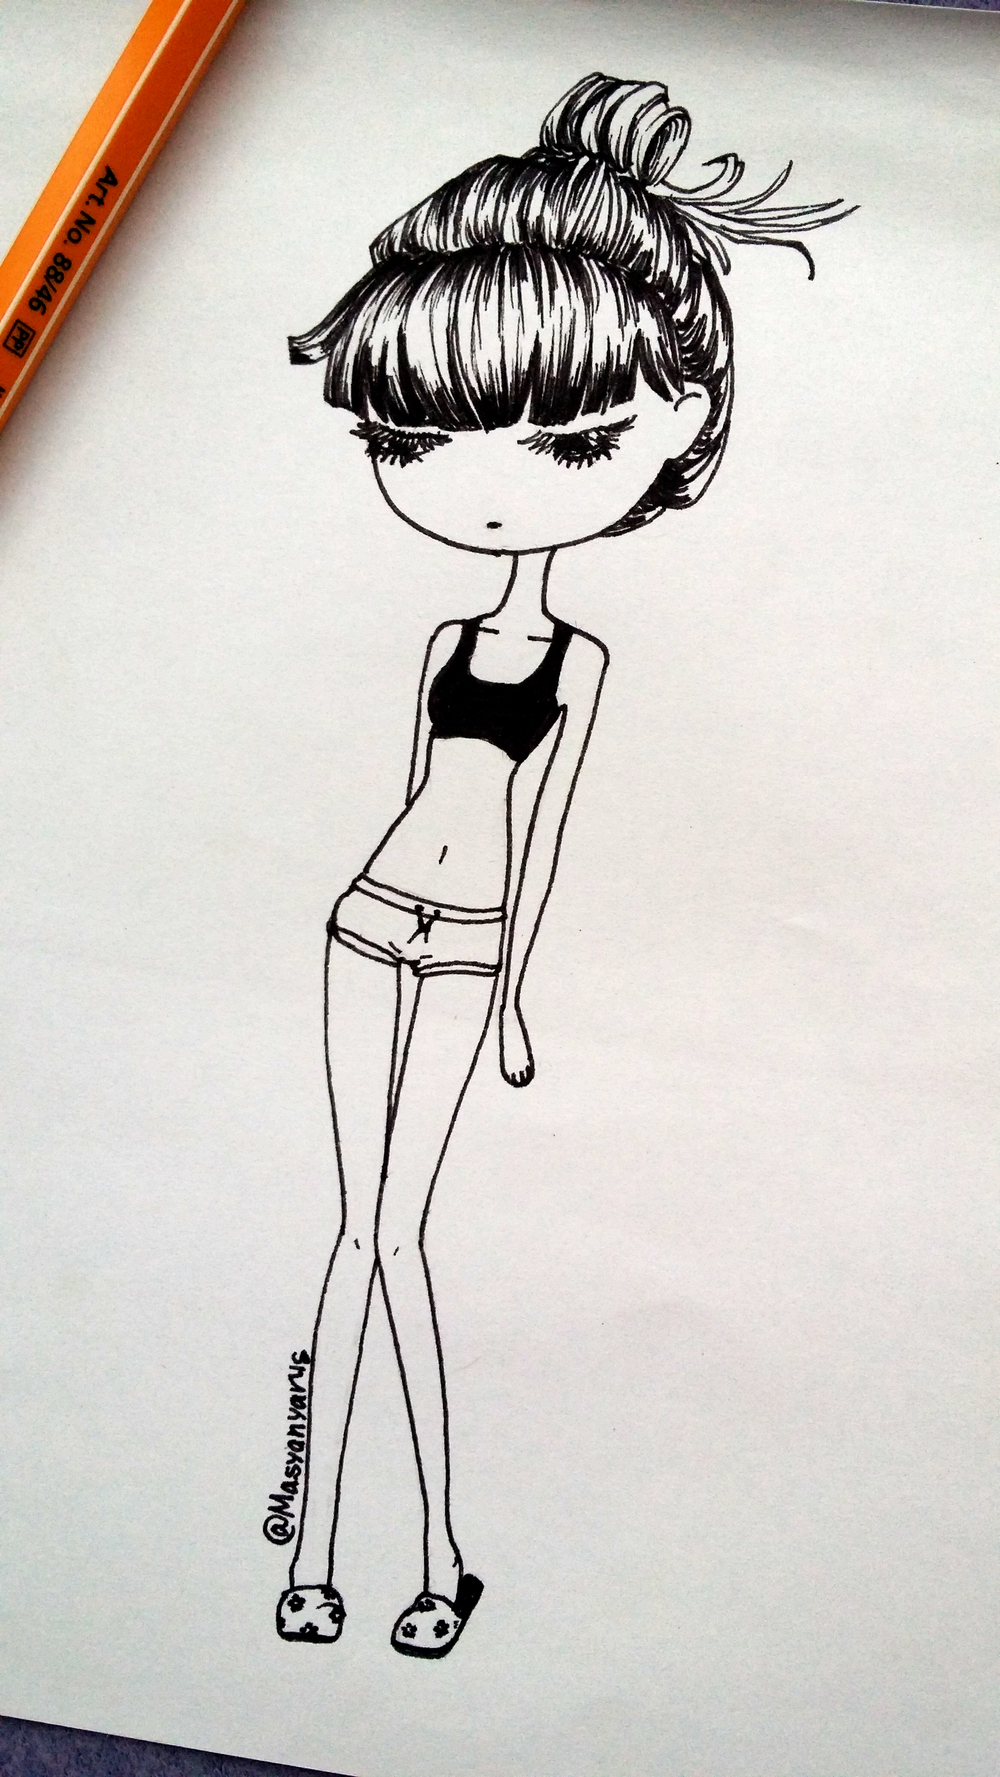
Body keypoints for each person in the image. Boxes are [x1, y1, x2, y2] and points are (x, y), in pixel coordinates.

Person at [276, 70, 851, 1658]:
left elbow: (538, 838)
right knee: (351, 1232)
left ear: (679, 426)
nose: (478, 489)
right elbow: (419, 785)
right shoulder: (446, 638)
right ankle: (313, 1551)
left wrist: (518, 991)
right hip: (367, 916)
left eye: (575, 436)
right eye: (411, 434)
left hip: (469, 940)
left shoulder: (576, 661)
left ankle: (436, 1556)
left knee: (400, 1236)